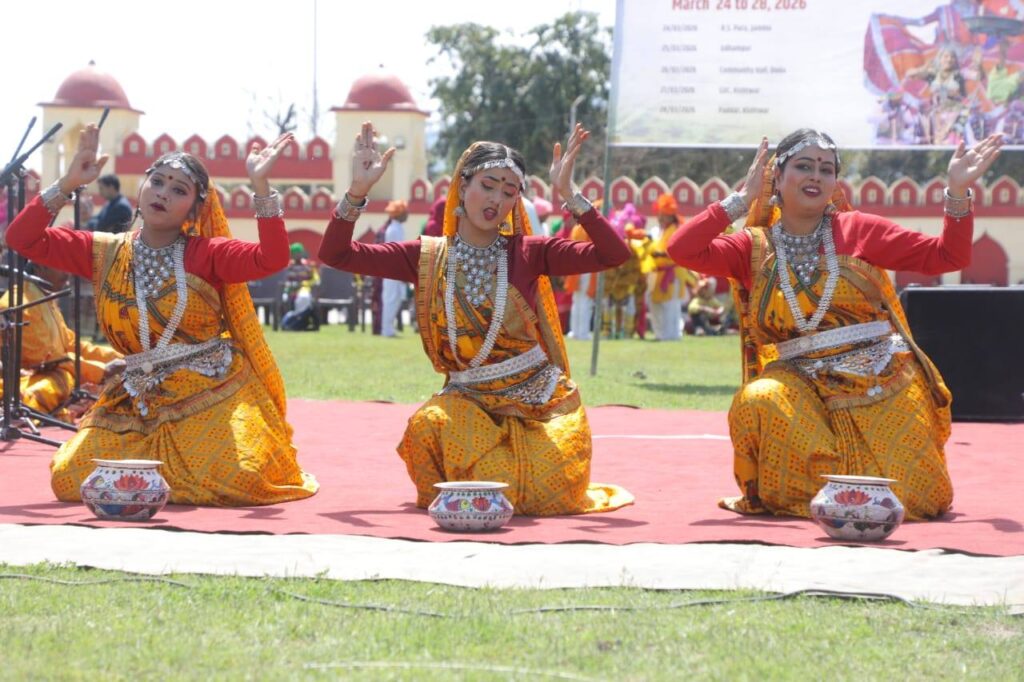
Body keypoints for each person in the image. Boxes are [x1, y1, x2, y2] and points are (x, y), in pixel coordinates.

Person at [667, 128, 1002, 520]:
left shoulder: (859, 230)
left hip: (880, 376)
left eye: (826, 169)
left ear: (834, 183)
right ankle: (823, 500)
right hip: (798, 381)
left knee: (917, 500)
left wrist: (957, 192)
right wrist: (741, 200)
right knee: (758, 399)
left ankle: (841, 498)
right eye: (804, 166)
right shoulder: (753, 248)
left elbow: (948, 256)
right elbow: (681, 249)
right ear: (777, 177)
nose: (815, 176)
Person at [319, 121, 634, 516]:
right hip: (468, 402)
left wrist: (569, 193)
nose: (496, 199)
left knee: (543, 490)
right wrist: (357, 192)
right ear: (462, 185)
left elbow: (614, 254)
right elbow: (336, 255)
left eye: (509, 192)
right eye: (488, 185)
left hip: (537, 401)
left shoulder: (529, 252)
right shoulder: (428, 257)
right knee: (432, 431)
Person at [5, 123, 319, 506]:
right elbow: (20, 239)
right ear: (142, 189)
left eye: (179, 190)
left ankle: (155, 482)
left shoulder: (207, 254)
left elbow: (272, 258)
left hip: (206, 385)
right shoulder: (105, 252)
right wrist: (69, 182)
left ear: (195, 209)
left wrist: (260, 186)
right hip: (137, 394)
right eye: (157, 182)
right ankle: (159, 481)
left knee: (241, 476)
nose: (163, 193)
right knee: (70, 477)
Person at [0, 263, 123, 421]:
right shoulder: (22, 302)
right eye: (61, 265)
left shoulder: (43, 297)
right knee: (60, 380)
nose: (69, 273)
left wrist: (122, 357)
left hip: (57, 374)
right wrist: (102, 370)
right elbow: (45, 360)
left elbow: (72, 345)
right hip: (24, 381)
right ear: (40, 265)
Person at [648, 194, 695, 341]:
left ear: (671, 217)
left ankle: (671, 335)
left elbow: (676, 250)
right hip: (658, 273)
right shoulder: (659, 231)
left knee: (671, 305)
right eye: (660, 215)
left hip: (672, 273)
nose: (660, 218)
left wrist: (660, 254)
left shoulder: (675, 229)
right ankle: (661, 334)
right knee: (656, 304)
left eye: (664, 215)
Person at [380, 200, 408, 337]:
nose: (407, 215)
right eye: (405, 212)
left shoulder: (397, 228)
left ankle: (389, 328)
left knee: (395, 299)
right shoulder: (394, 230)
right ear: (399, 214)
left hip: (395, 269)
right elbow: (396, 252)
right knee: (390, 299)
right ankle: (387, 330)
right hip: (392, 269)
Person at [280, 242, 320, 331]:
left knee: (304, 298)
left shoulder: (309, 265)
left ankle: (301, 320)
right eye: (294, 253)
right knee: (284, 299)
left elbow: (316, 280)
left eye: (298, 253)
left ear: (302, 253)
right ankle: (290, 322)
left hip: (305, 291)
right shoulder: (289, 267)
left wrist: (304, 283)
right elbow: (286, 281)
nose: (296, 255)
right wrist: (289, 288)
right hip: (292, 291)